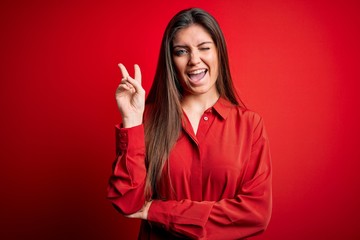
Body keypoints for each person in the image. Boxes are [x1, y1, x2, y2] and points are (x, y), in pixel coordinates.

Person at [107, 8, 272, 240]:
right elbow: (127, 202)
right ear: (171, 60)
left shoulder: (249, 125)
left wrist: (159, 211)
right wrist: (132, 120)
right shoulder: (147, 119)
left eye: (204, 48)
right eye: (182, 51)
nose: (194, 59)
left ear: (219, 53)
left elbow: (256, 215)